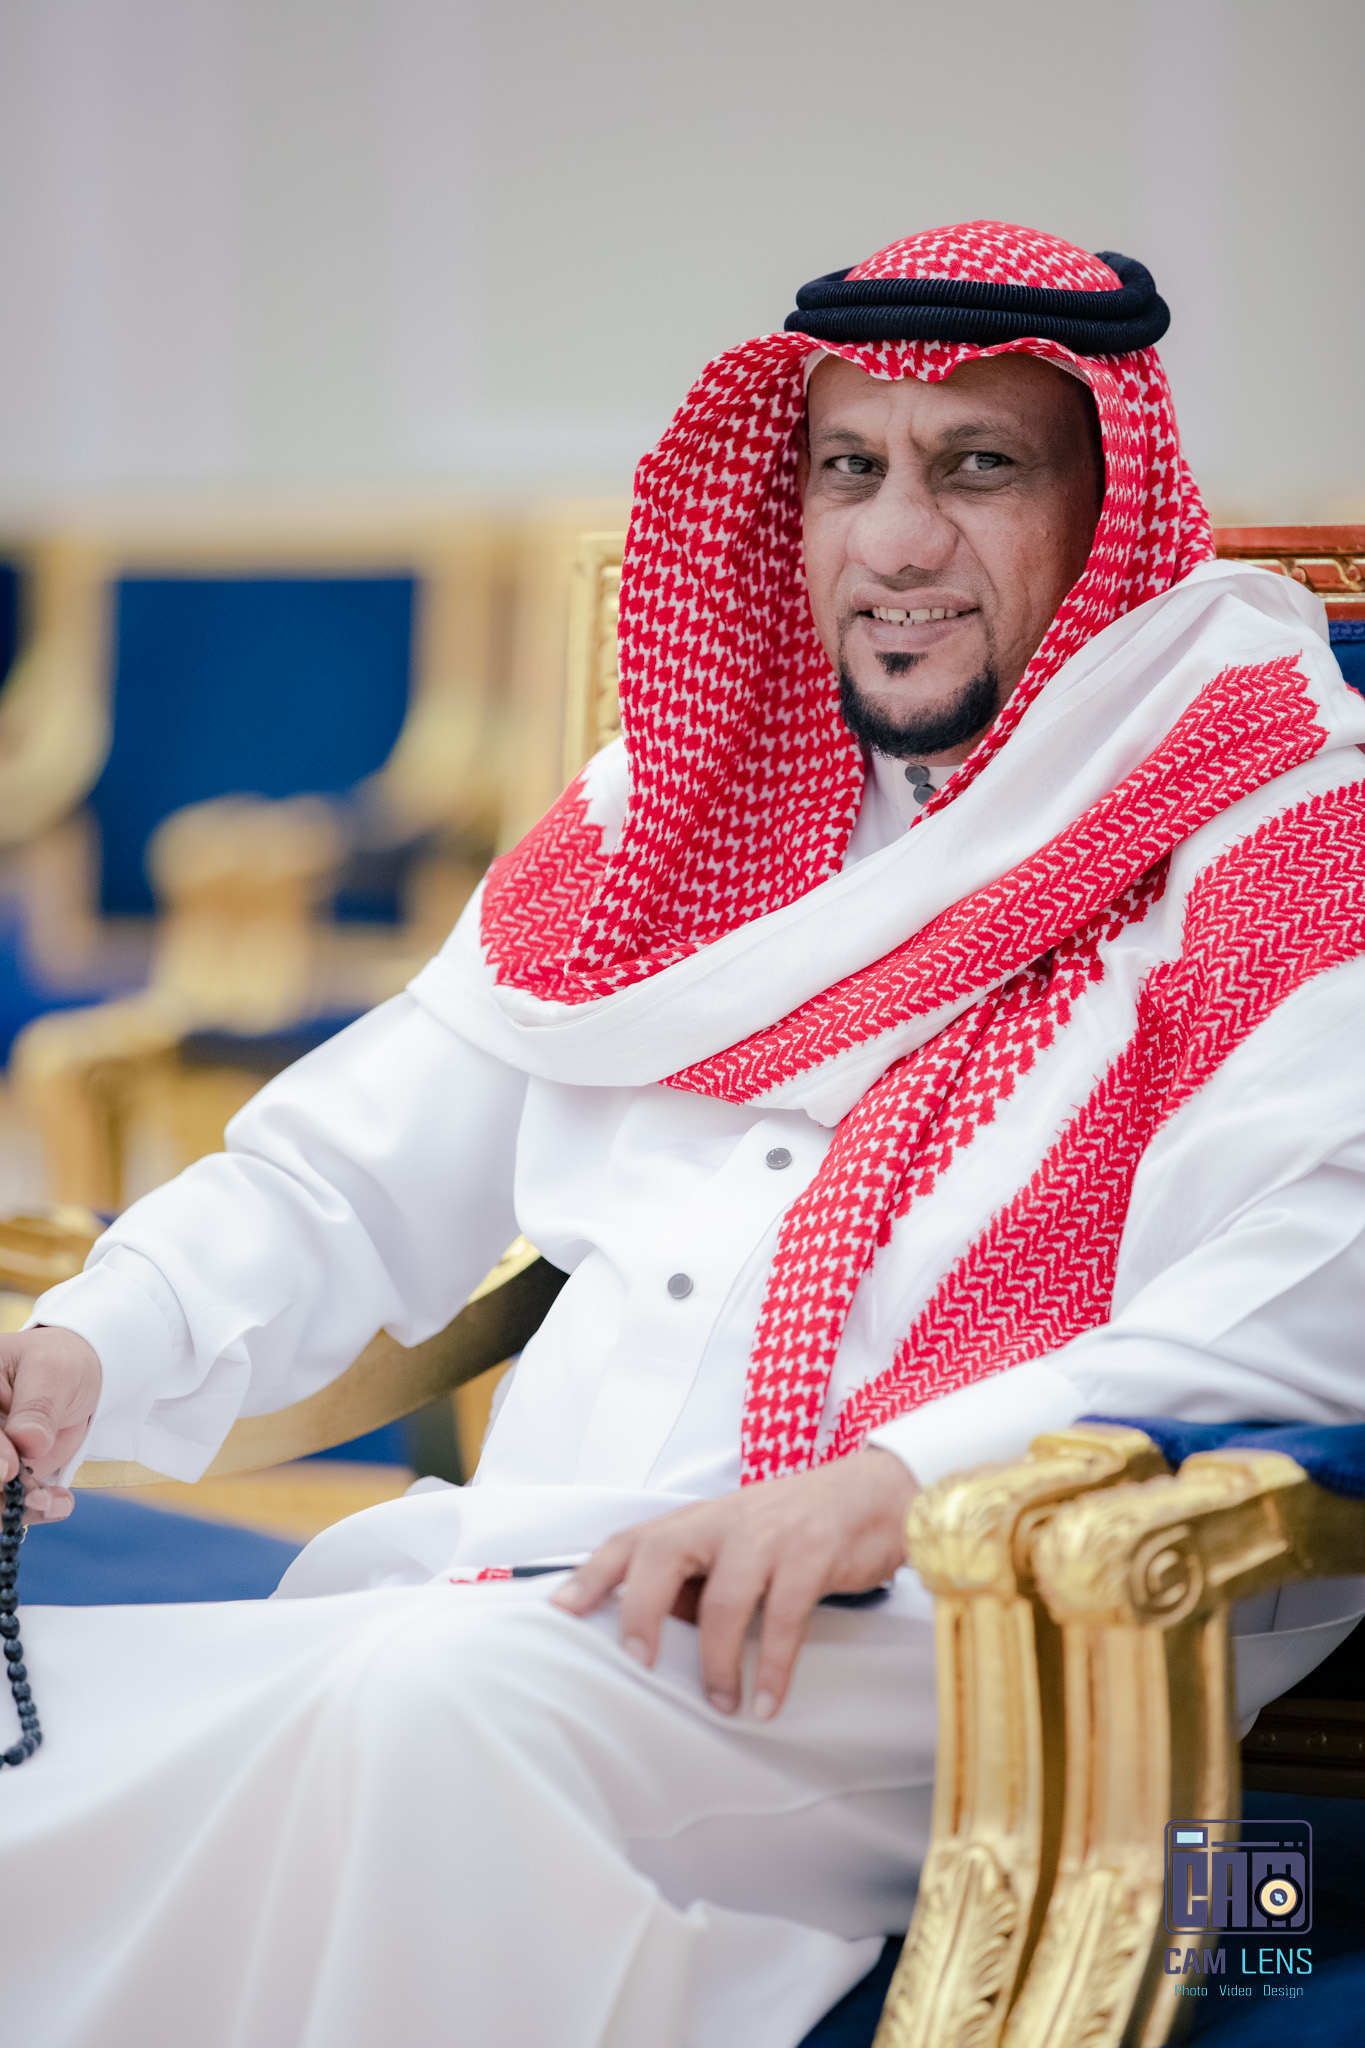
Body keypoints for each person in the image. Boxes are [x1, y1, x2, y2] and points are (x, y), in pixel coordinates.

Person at [3, 220, 1365, 2048]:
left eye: (976, 468)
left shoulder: (1278, 820)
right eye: (848, 470)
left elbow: (1314, 1280)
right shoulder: (686, 793)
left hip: (963, 1628)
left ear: (1105, 503)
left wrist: (895, 1484)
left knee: (430, 1720)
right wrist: (95, 1345)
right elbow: (344, 1169)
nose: (894, 541)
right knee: (83, 1750)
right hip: (536, 1589)